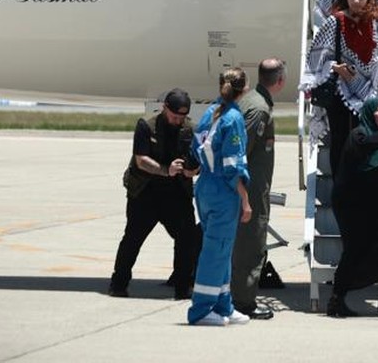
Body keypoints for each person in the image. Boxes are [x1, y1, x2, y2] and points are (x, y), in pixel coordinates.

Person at [300, 0, 378, 173]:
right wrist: (335, 67)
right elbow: (316, 55)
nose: (357, 1)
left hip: (361, 92)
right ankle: (339, 187)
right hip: (338, 92)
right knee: (341, 139)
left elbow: (375, 56)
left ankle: (354, 184)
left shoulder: (368, 23)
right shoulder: (334, 22)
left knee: (360, 138)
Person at [109, 88, 201, 300]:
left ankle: (182, 287)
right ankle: (118, 284)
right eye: (174, 115)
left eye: (182, 117)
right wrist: (165, 170)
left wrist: (192, 170)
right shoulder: (146, 127)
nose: (177, 120)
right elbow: (141, 160)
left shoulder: (191, 130)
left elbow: (199, 161)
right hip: (145, 194)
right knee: (132, 239)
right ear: (164, 108)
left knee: (187, 240)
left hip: (176, 195)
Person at [325, 96, 378, 318]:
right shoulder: (359, 134)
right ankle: (336, 300)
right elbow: (366, 147)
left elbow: (377, 159)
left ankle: (368, 275)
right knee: (353, 250)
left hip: (364, 202)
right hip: (349, 204)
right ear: (370, 114)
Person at [187, 68, 253, 326]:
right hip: (223, 190)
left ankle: (223, 304)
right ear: (244, 88)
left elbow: (196, 147)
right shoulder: (234, 118)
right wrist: (246, 200)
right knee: (215, 251)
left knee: (222, 249)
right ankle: (201, 310)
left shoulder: (209, 112)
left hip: (205, 186)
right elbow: (232, 165)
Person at [231, 59, 286, 320]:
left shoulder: (250, 100)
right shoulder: (259, 110)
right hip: (249, 191)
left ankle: (234, 297)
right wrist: (245, 198)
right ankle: (243, 302)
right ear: (280, 81)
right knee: (250, 247)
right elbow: (240, 154)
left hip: (246, 189)